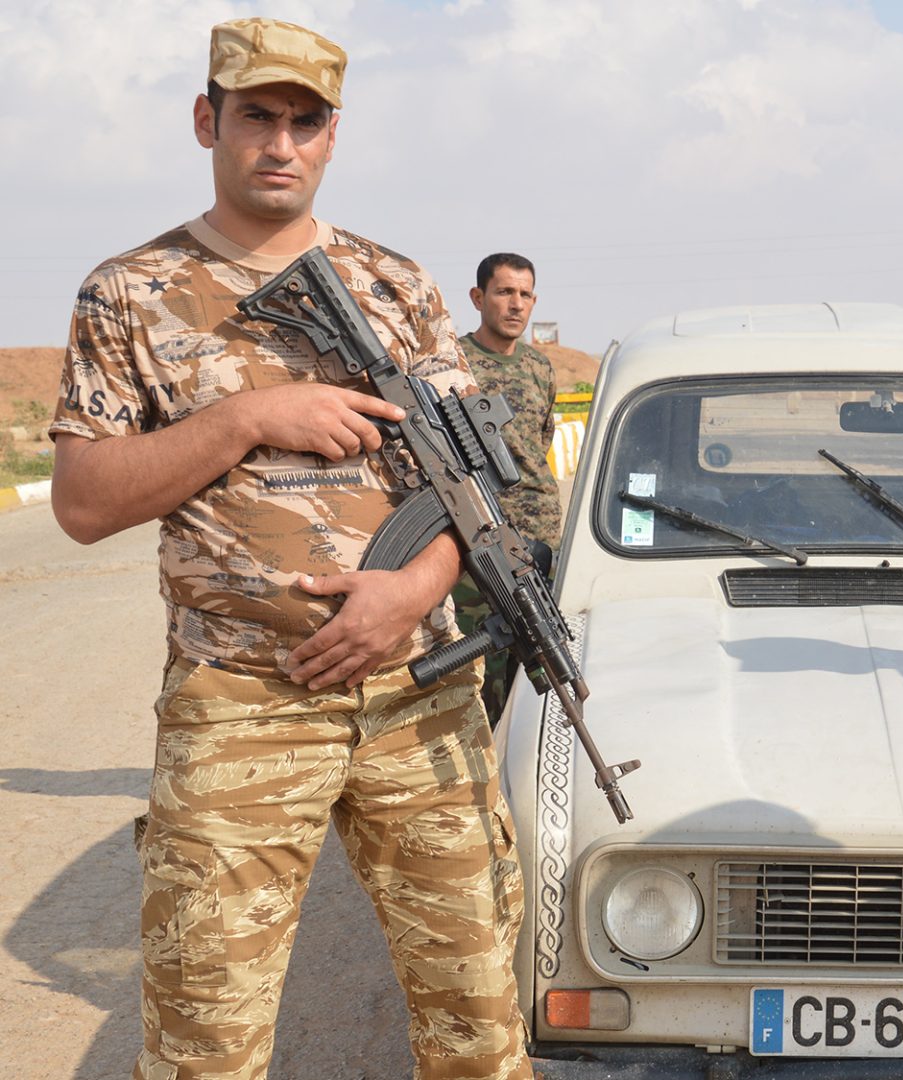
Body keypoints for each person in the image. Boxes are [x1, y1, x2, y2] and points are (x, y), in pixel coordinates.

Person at [46, 18, 531, 1079]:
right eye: (256, 116)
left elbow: (477, 489)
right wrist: (249, 417)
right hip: (241, 706)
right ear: (205, 121)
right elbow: (81, 502)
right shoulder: (129, 291)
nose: (281, 143)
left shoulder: (398, 285)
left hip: (420, 698)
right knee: (202, 1044)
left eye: (305, 122)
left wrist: (412, 590)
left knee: (481, 1027)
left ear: (332, 136)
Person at [455, 252, 560, 723]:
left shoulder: (540, 368)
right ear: (479, 298)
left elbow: (541, 443)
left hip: (541, 541)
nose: (516, 305)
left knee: (542, 663)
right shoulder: (454, 366)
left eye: (525, 294)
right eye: (504, 292)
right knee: (480, 666)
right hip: (479, 540)